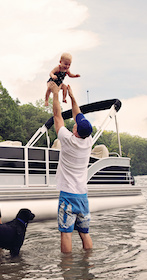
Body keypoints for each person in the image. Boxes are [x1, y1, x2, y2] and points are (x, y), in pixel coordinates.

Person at [49, 81, 93, 253]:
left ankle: (67, 272)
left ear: (75, 131)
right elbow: (77, 115)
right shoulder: (87, 141)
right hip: (82, 196)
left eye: (75, 124)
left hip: (68, 195)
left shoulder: (67, 140)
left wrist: (55, 93)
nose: (75, 122)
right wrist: (72, 96)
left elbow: (57, 115)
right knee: (84, 233)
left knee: (66, 234)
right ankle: (87, 264)